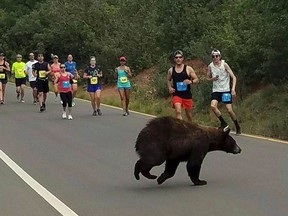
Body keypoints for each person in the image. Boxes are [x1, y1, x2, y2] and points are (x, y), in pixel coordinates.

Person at [206, 49, 241, 135]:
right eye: (213, 56)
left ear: (220, 56)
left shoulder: (224, 65)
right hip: (216, 90)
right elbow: (207, 78)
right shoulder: (210, 66)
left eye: (217, 56)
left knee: (229, 110)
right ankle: (224, 123)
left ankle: (237, 125)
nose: (215, 58)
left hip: (225, 90)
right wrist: (212, 79)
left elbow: (234, 77)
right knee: (213, 106)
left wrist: (233, 89)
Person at [167, 50, 199, 122]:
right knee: (178, 111)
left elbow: (197, 79)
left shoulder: (188, 69)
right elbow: (168, 80)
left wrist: (190, 81)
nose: (178, 59)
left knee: (189, 115)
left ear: (183, 58)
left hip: (187, 95)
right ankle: (181, 129)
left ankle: (191, 129)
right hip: (177, 95)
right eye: (176, 57)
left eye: (180, 57)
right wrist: (169, 87)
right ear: (174, 59)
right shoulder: (171, 70)